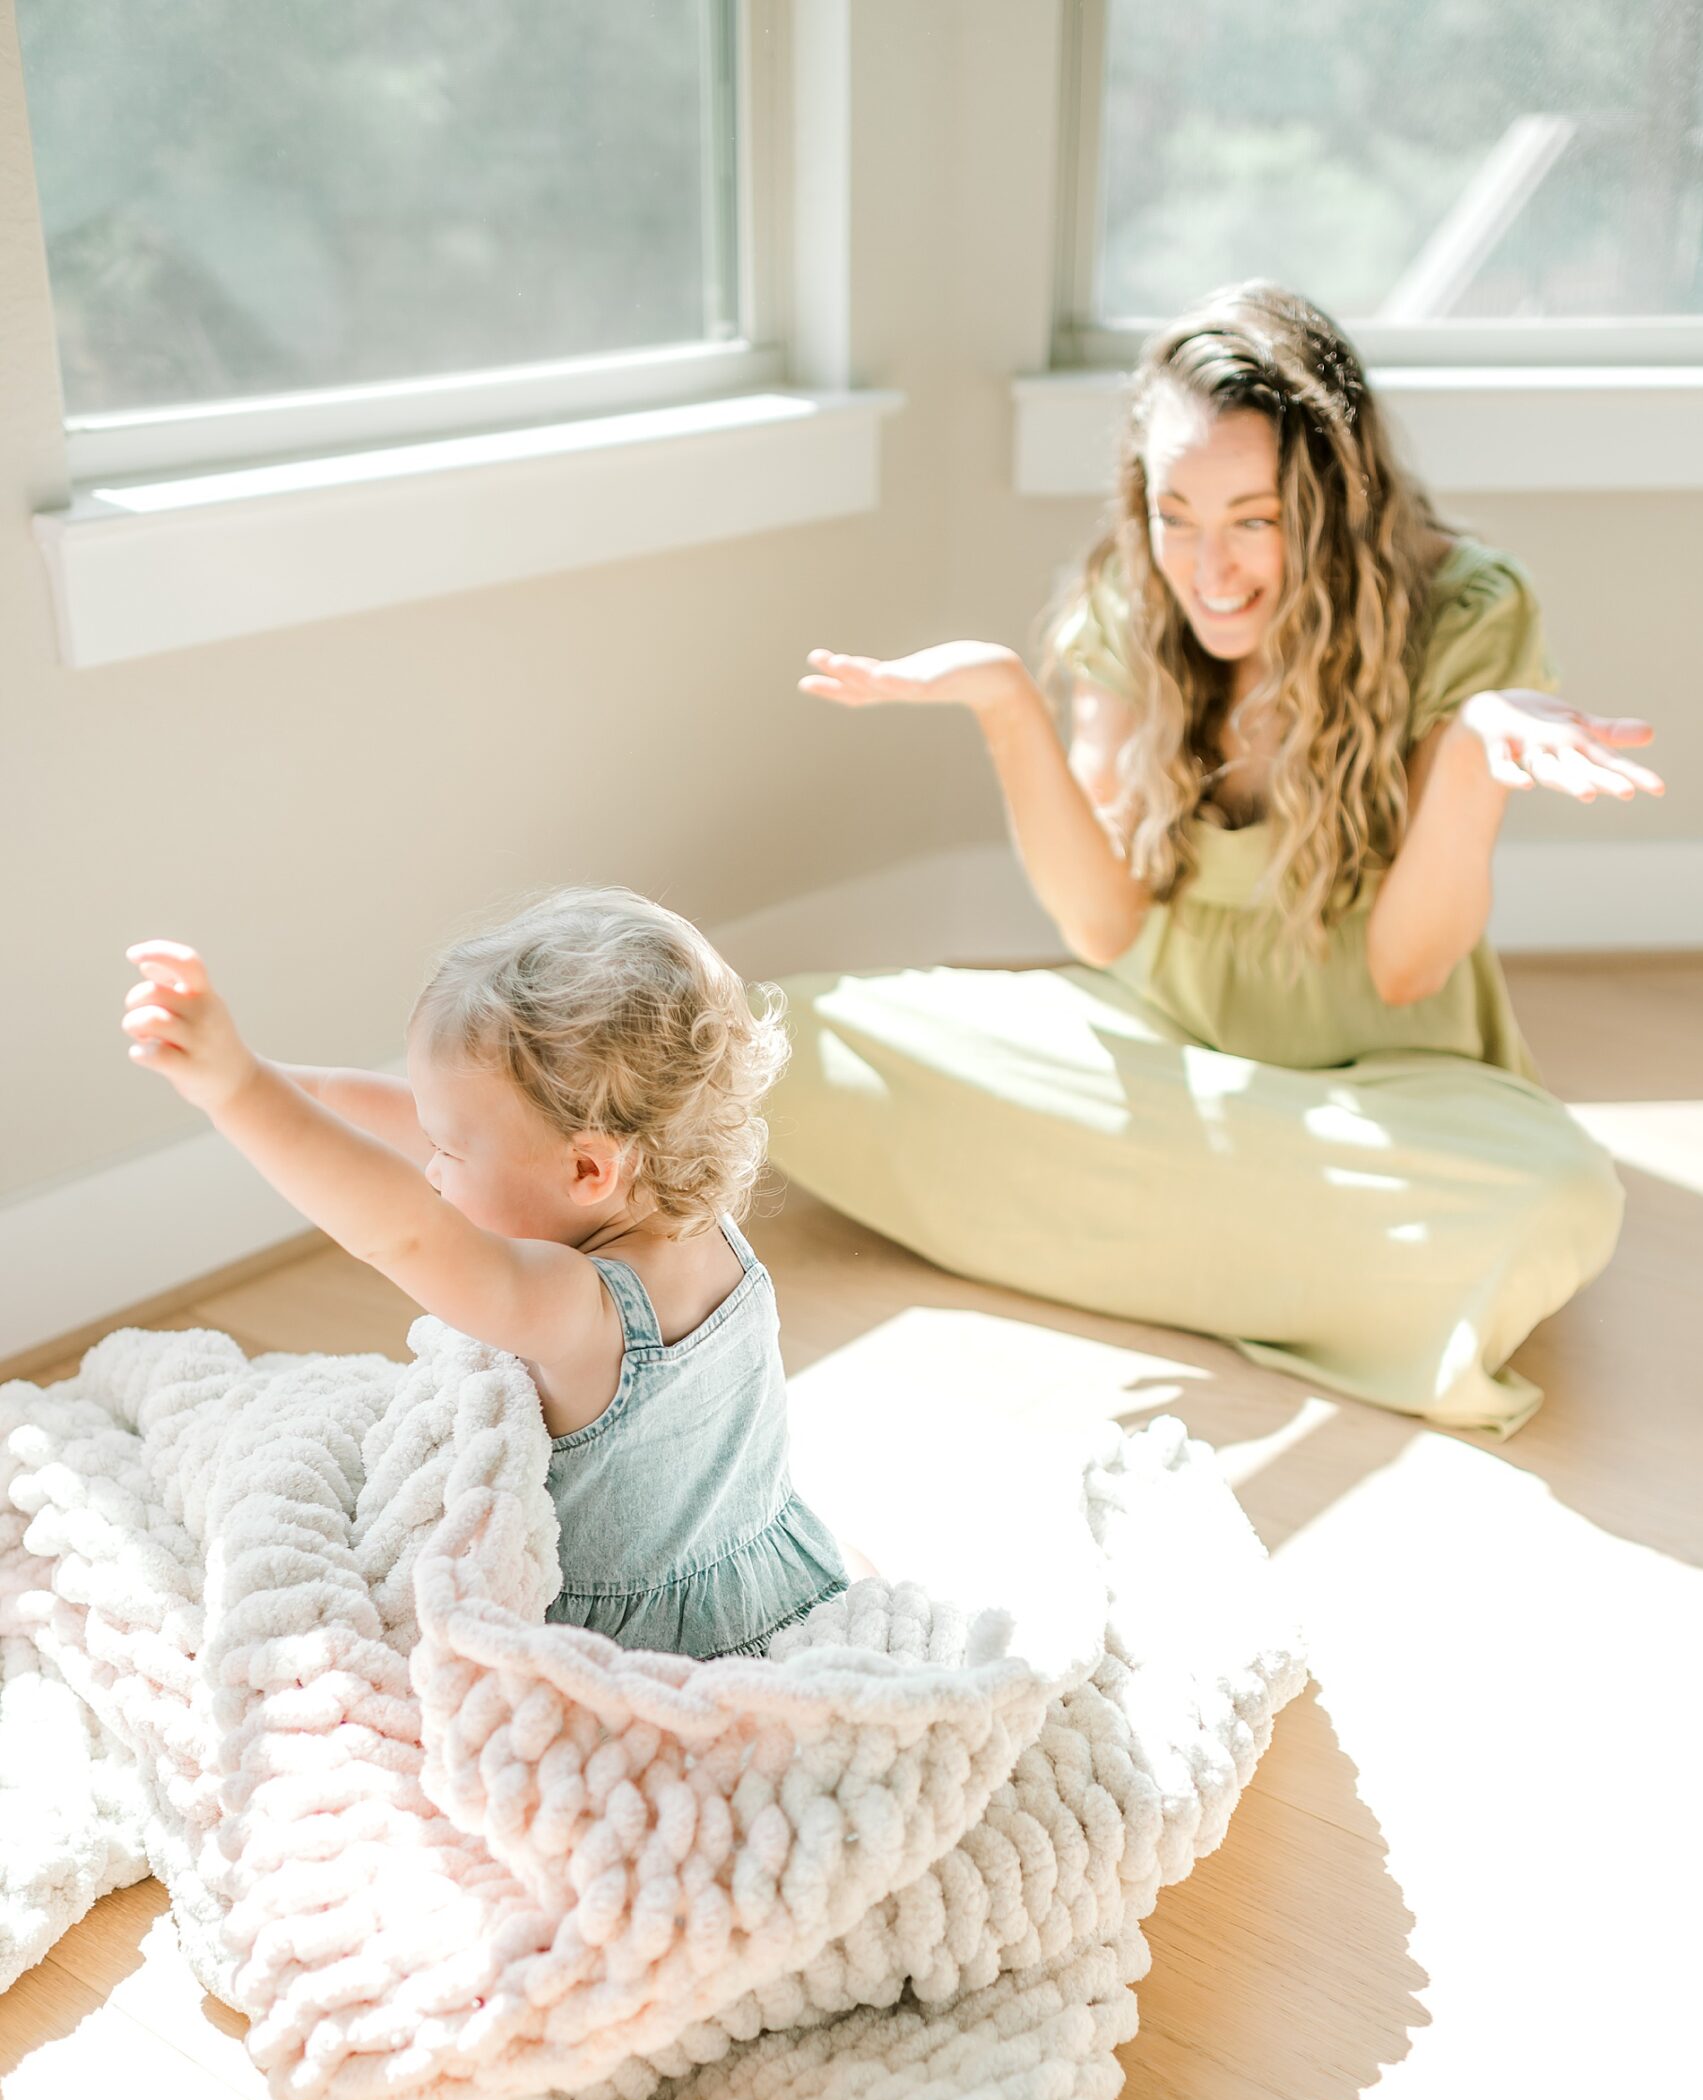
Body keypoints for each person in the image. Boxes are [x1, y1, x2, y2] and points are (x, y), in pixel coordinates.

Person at [772, 280, 1662, 1434]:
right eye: (1174, 513)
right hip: (1162, 1060)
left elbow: (1402, 971)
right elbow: (1102, 931)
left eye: (1255, 518)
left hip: (1380, 1091)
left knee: (1556, 1198)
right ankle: (1270, 1256)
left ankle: (1158, 1233)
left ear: (1333, 501)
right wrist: (1002, 703)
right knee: (785, 1035)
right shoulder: (1128, 605)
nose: (1211, 568)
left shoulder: (1463, 609)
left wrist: (1474, 760)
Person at [120, 888, 848, 1655]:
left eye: (449, 1153)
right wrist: (252, 1077)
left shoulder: (580, 1309)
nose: (430, 1168)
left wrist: (238, 1093)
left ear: (589, 1168)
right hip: (767, 1574)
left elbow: (403, 1233)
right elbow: (406, 1119)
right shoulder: (702, 1225)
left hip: (639, 1652)